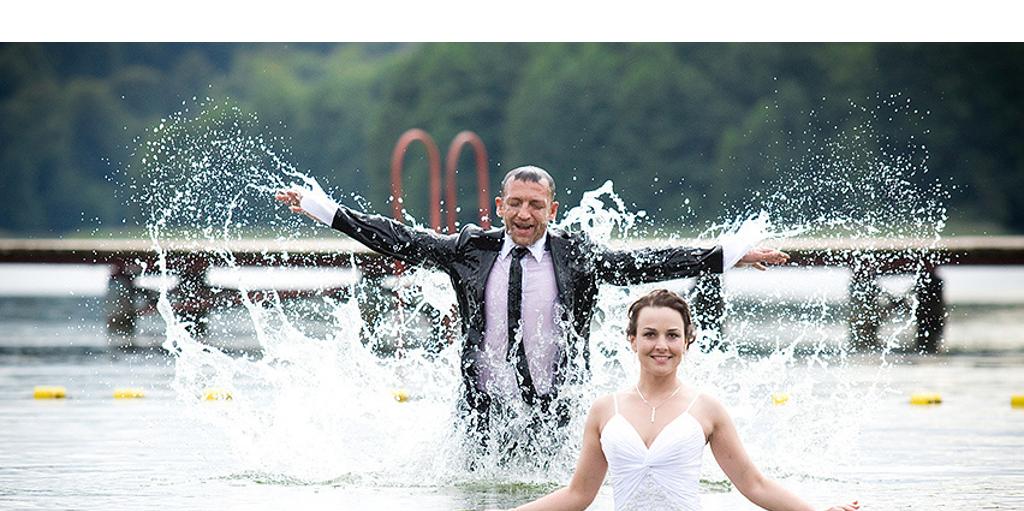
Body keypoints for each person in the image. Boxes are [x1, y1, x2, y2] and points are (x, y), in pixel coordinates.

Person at [275, 166, 788, 444]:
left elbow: (647, 262)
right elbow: (397, 238)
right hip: (482, 410)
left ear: (551, 210)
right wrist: (325, 211)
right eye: (515, 204)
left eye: (535, 205)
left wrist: (726, 255)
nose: (524, 214)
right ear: (499, 207)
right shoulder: (469, 251)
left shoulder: (577, 256)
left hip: (557, 407)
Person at [470, 289, 861, 511]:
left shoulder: (707, 409)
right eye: (650, 334)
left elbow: (753, 484)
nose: (661, 345)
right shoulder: (605, 410)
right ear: (632, 339)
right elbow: (579, 495)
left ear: (687, 341)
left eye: (672, 335)